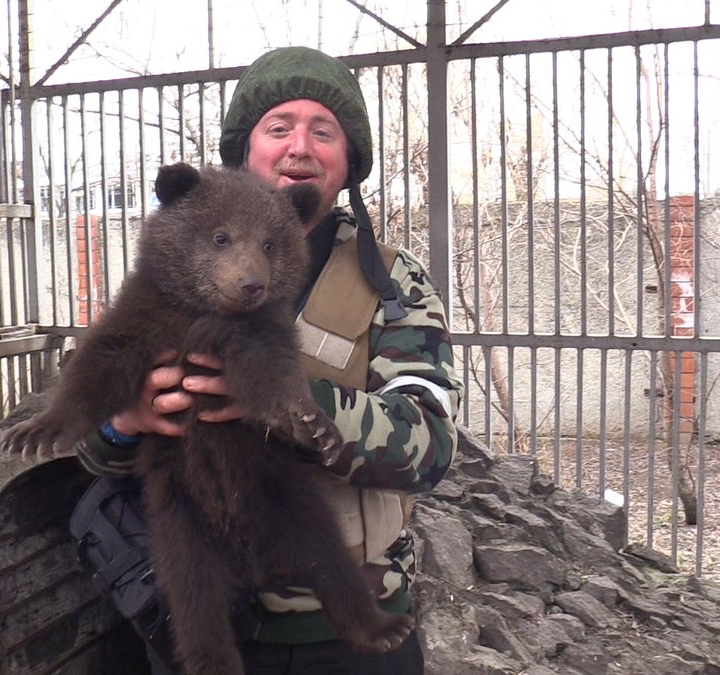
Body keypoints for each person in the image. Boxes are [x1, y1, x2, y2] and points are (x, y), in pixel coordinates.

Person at [75, 45, 462, 675]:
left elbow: (432, 447)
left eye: (323, 132)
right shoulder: (177, 268)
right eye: (279, 127)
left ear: (349, 160)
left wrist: (290, 404)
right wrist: (124, 422)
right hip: (196, 617)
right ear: (244, 149)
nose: (299, 147)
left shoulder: (392, 284)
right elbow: (91, 450)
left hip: (346, 626)